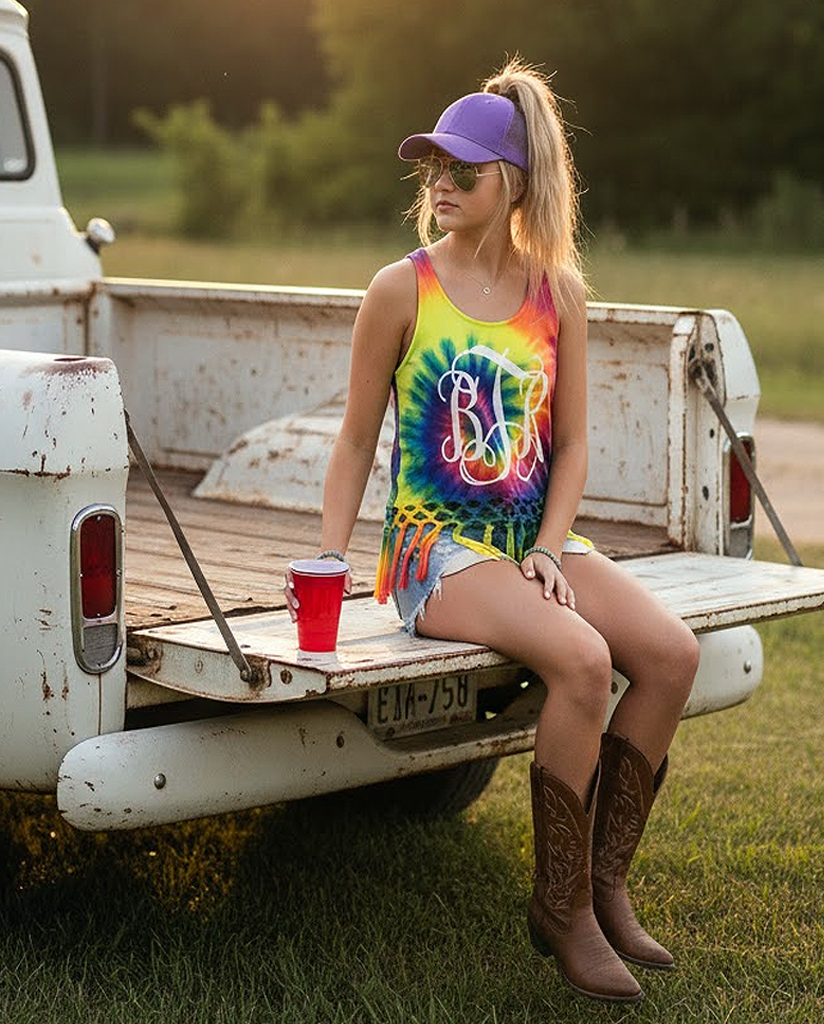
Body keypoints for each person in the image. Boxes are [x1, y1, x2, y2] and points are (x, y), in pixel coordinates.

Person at [286, 58, 700, 1004]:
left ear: (511, 179)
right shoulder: (402, 288)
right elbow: (355, 439)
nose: (440, 180)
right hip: (438, 549)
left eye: (462, 168)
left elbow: (577, 443)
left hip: (528, 537)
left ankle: (602, 882)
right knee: (585, 663)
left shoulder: (559, 292)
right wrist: (328, 551)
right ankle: (563, 911)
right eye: (431, 163)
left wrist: (552, 549)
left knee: (672, 656)